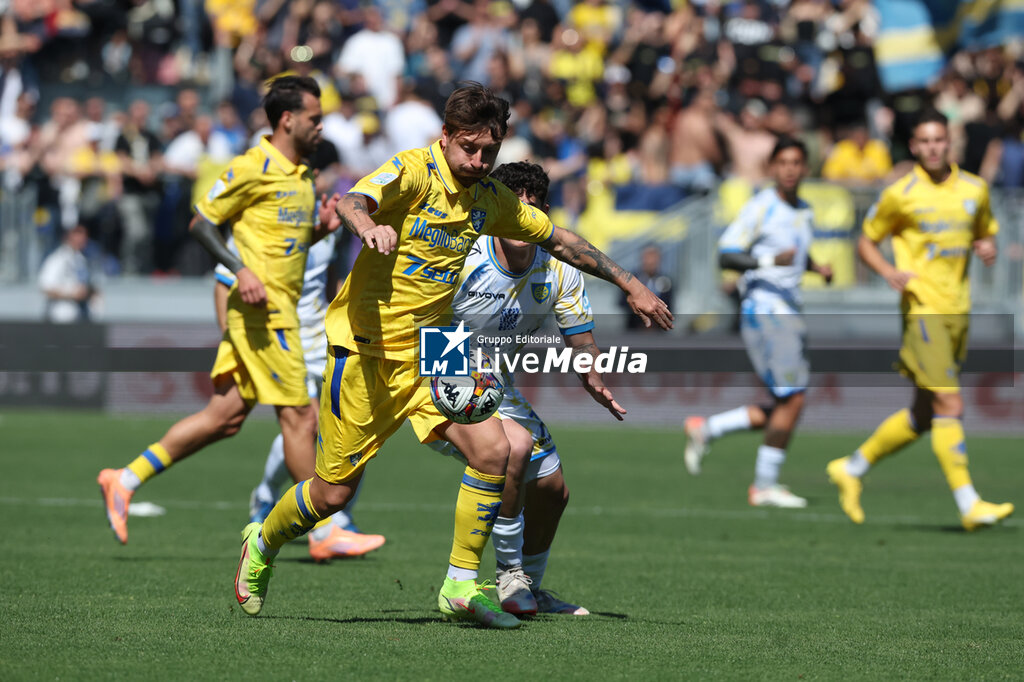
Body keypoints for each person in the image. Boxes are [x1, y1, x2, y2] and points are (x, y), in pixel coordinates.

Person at [233, 84, 673, 629]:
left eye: (489, 152)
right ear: (445, 137)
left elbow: (559, 241)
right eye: (468, 148)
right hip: (366, 349)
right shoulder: (412, 171)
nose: (478, 161)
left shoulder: (491, 196)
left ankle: (460, 586)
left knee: (496, 449)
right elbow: (352, 200)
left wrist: (631, 283)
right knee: (331, 493)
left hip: (439, 345)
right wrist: (369, 226)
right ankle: (264, 540)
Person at [97, 76, 338, 545]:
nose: (321, 126)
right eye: (314, 117)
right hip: (263, 312)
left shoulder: (302, 175)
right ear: (288, 120)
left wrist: (321, 231)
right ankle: (324, 530)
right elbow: (202, 223)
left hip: (280, 306)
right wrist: (240, 270)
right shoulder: (252, 166)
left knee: (225, 417)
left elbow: (286, 242)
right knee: (301, 418)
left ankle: (123, 479)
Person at [429, 161, 621, 617]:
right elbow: (429, 319)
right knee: (510, 448)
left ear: (544, 215)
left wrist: (592, 375)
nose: (522, 217)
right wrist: (459, 383)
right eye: (513, 206)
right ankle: (508, 579)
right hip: (439, 373)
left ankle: (530, 587)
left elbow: (581, 338)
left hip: (499, 384)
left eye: (532, 208)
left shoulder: (559, 268)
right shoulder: (465, 255)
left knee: (554, 490)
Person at [826, 110, 1014, 531]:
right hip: (922, 309)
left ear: (950, 144)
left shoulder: (974, 189)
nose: (932, 147)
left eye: (939, 140)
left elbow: (985, 232)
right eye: (924, 141)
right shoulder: (901, 193)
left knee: (925, 414)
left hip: (957, 309)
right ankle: (969, 504)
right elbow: (865, 242)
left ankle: (852, 468)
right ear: (913, 147)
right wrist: (889, 271)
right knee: (951, 402)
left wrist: (987, 248)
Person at [214, 231, 385, 561]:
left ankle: (273, 495)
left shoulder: (331, 227)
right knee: (304, 425)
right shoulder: (274, 217)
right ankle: (328, 523)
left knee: (347, 432)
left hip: (326, 338)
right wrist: (229, 338)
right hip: (283, 339)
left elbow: (331, 275)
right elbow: (223, 280)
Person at [684, 137, 833, 508]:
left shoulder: (805, 210)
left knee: (785, 400)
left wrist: (816, 267)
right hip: (764, 309)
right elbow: (727, 255)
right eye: (782, 162)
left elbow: (793, 252)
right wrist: (768, 264)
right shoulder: (761, 207)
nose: (789, 169)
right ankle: (764, 485)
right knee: (793, 398)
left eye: (796, 162)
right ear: (772, 168)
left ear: (805, 169)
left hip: (788, 308)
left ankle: (709, 428)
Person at [38, 224, 97, 323]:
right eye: (78, 235)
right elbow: (46, 287)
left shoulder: (81, 259)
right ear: (69, 236)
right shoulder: (57, 258)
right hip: (60, 318)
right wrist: (72, 293)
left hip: (80, 317)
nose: (82, 239)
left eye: (84, 236)